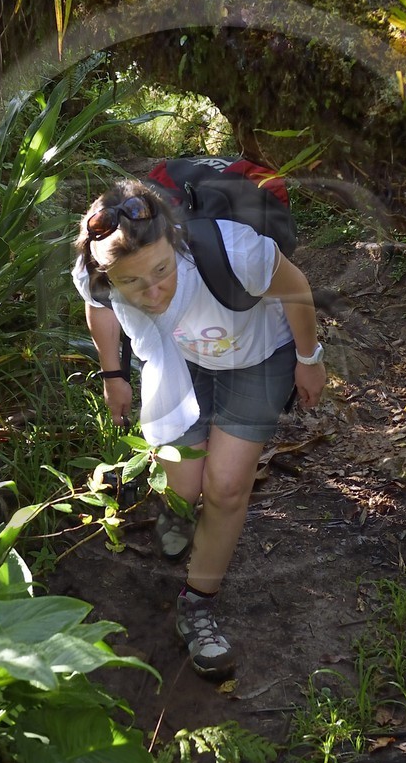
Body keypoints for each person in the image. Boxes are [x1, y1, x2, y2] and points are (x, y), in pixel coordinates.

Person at [73, 178, 327, 678]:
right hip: (180, 358)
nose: (153, 293)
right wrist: (113, 374)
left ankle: (197, 606)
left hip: (256, 357)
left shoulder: (234, 251)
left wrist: (309, 358)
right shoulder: (95, 272)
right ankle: (179, 511)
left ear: (176, 241)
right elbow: (97, 307)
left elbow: (295, 287)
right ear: (108, 273)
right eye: (132, 283)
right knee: (185, 483)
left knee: (227, 488)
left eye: (162, 272)